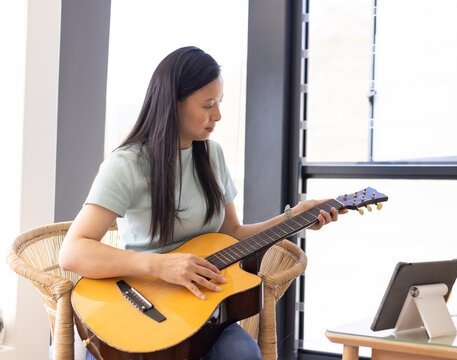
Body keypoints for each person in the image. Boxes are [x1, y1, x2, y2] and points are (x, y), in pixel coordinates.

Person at [59, 46, 345, 360]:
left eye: (219, 103)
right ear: (172, 104)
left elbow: (233, 234)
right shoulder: (127, 165)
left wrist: (294, 217)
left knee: (243, 355)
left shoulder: (211, 155)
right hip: (136, 309)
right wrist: (162, 265)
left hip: (203, 312)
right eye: (208, 105)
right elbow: (73, 251)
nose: (218, 116)